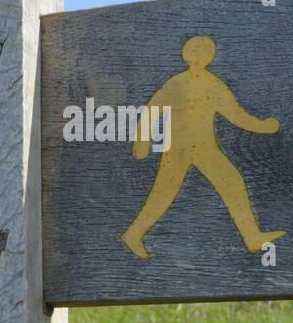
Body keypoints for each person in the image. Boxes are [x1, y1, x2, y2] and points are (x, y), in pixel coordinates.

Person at [121, 35, 283, 258]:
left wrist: (264, 126)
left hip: (206, 148)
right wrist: (141, 142)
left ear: (210, 57)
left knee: (233, 183)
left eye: (204, 52)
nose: (198, 56)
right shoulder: (176, 83)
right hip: (177, 149)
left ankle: (252, 237)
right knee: (162, 194)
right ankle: (133, 234)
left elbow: (235, 114)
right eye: (194, 51)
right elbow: (152, 110)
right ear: (185, 54)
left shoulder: (213, 83)